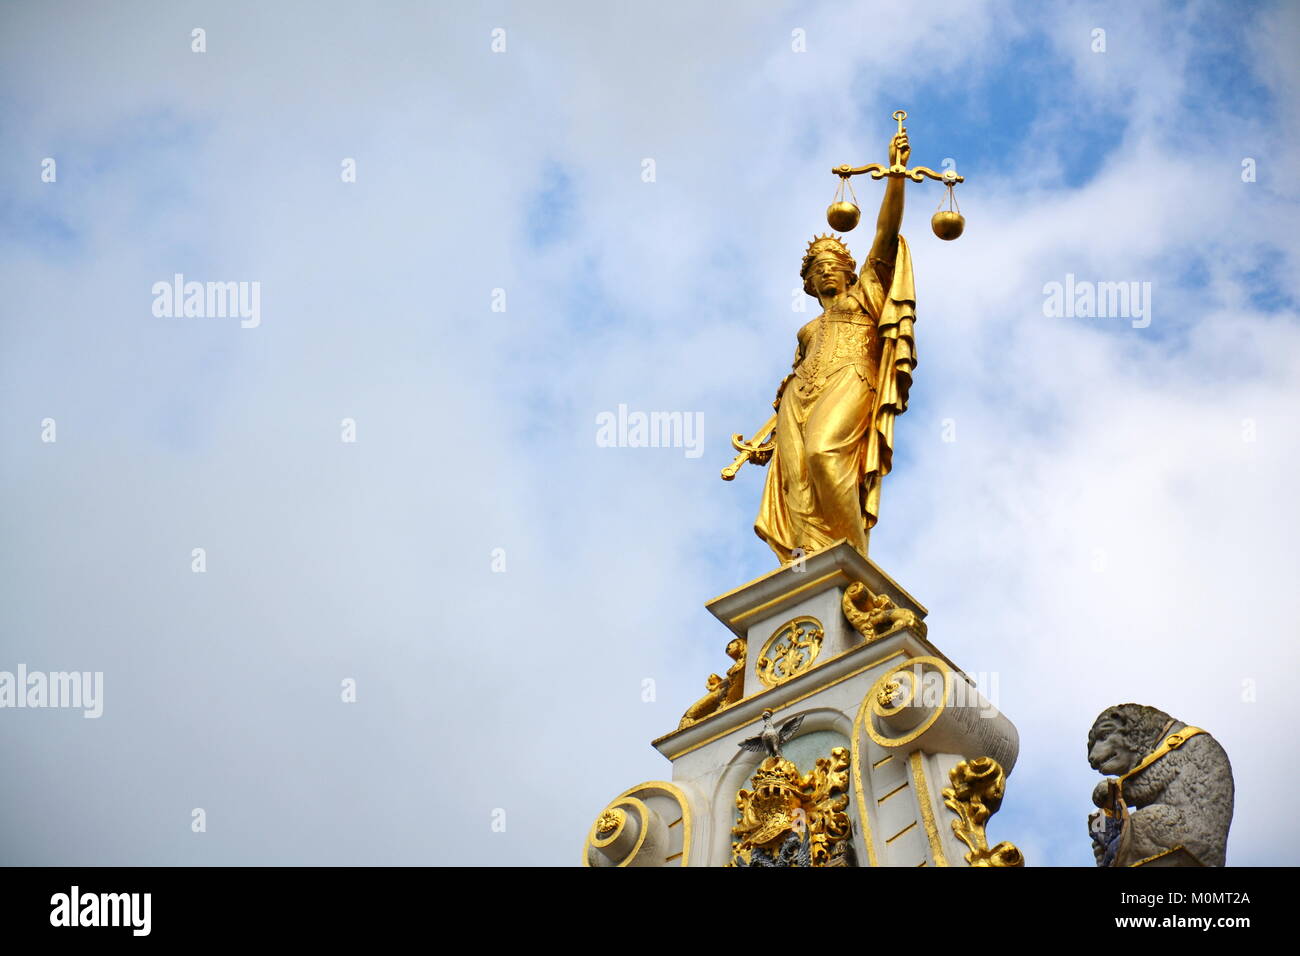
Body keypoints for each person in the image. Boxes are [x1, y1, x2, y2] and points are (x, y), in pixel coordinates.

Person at [754, 130, 917, 563]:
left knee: (824, 453)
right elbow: (794, 373)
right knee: (798, 478)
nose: (826, 273)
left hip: (852, 376)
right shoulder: (807, 329)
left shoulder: (865, 293)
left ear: (849, 270)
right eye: (818, 270)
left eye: (834, 265)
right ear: (808, 283)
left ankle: (852, 559)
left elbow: (886, 231)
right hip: (800, 395)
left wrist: (895, 178)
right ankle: (809, 554)